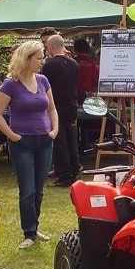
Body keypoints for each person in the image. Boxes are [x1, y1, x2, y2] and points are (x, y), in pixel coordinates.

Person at [0, 41, 59, 249]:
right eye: (39, 57)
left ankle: (34, 226)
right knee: (27, 189)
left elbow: (52, 109)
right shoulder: (10, 84)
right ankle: (28, 232)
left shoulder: (43, 80)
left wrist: (54, 131)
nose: (42, 61)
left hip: (44, 140)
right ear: (27, 59)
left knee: (39, 189)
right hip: (22, 142)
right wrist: (13, 136)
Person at [42, 34, 80, 187]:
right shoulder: (73, 63)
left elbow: (44, 87)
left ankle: (64, 173)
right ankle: (75, 168)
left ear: (51, 47)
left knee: (59, 141)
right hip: (71, 105)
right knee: (72, 140)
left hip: (55, 106)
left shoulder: (49, 65)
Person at [73, 38, 99, 104]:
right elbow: (95, 84)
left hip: (74, 96)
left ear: (75, 49)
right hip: (88, 97)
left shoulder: (72, 63)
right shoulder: (93, 65)